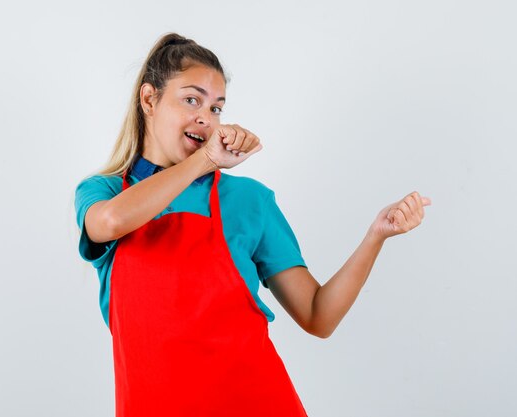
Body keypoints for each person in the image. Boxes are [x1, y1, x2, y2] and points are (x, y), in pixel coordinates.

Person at [74, 32, 431, 417]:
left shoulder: (249, 201)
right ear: (149, 99)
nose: (205, 118)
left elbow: (317, 316)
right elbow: (110, 223)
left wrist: (376, 235)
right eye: (192, 100)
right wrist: (206, 160)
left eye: (216, 108)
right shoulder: (105, 192)